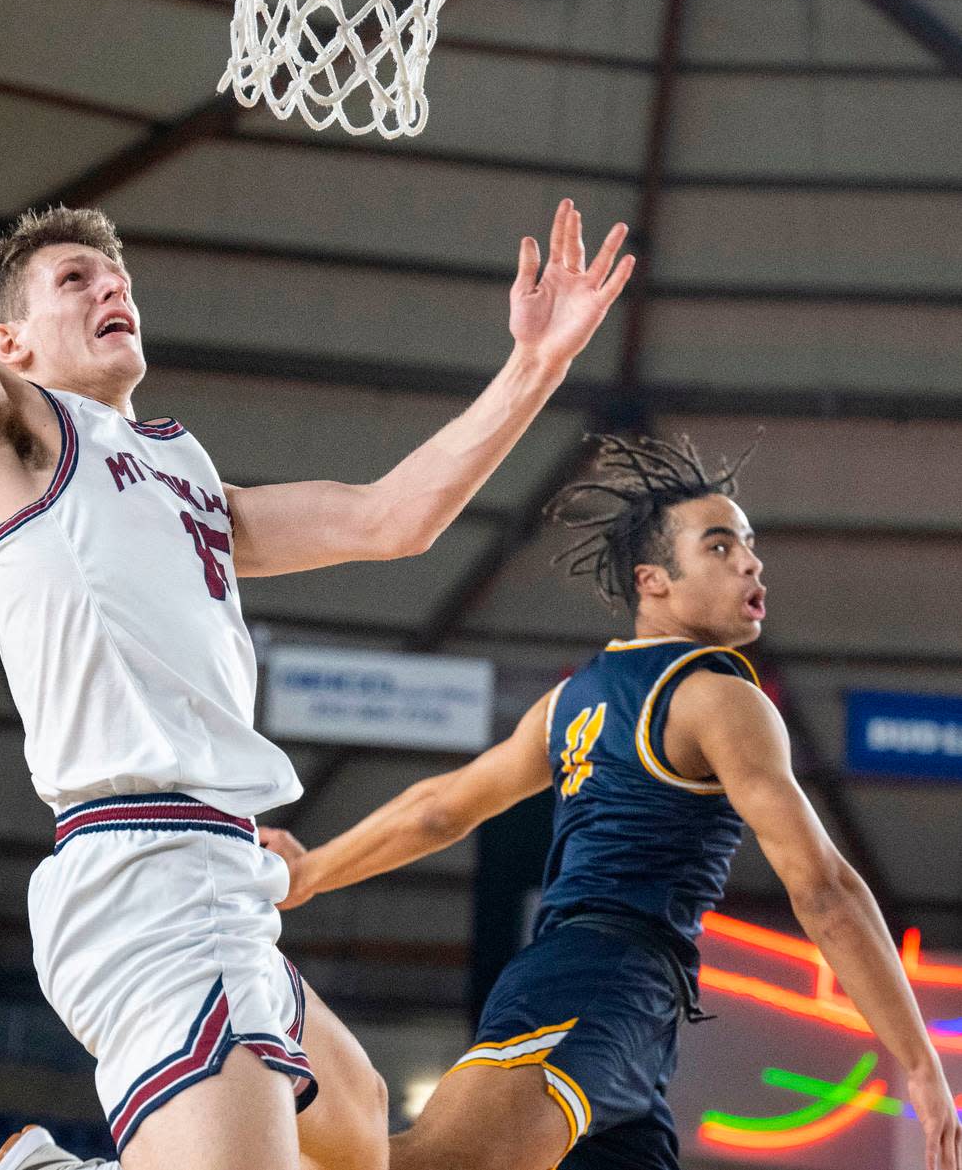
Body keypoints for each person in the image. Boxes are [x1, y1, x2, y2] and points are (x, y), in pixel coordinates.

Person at [0, 0, 634, 1170]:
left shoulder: (187, 478)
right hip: (144, 874)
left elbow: (394, 519)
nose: (111, 286)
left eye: (119, 273)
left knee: (365, 1124)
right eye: (74, 279)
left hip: (225, 878)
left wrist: (532, 370)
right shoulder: (6, 441)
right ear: (6, 344)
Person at [260, 433, 962, 1170]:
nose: (751, 561)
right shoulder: (721, 697)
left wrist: (311, 873)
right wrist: (918, 1060)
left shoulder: (571, 700)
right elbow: (824, 888)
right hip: (600, 976)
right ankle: (250, 1087)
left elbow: (443, 808)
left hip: (626, 1008)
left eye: (750, 544)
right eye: (720, 546)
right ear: (652, 579)